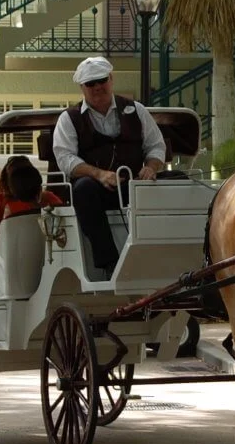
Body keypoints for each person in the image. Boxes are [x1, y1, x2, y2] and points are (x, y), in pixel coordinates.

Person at [52, 56, 168, 279]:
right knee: (83, 189)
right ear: (82, 87)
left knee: (178, 180)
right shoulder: (69, 119)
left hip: (135, 186)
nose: (97, 87)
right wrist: (98, 174)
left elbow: (155, 146)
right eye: (90, 83)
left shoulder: (137, 110)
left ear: (111, 79)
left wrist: (151, 167)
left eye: (101, 80)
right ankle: (109, 262)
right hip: (98, 191)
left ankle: (173, 251)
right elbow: (65, 159)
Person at [0, 155, 64, 220]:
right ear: (6, 180)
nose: (22, 179)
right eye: (16, 176)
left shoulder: (48, 198)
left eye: (27, 174)